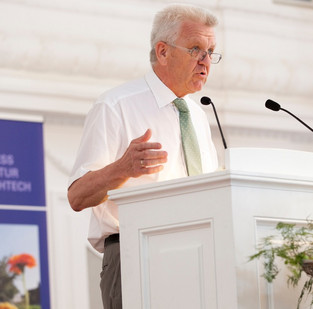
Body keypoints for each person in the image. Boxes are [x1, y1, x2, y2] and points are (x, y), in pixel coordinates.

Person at [67, 4, 221, 308]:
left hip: (197, 259)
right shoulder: (115, 106)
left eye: (211, 52)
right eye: (195, 50)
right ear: (163, 52)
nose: (206, 62)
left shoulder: (199, 116)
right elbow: (77, 196)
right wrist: (123, 168)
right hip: (134, 257)